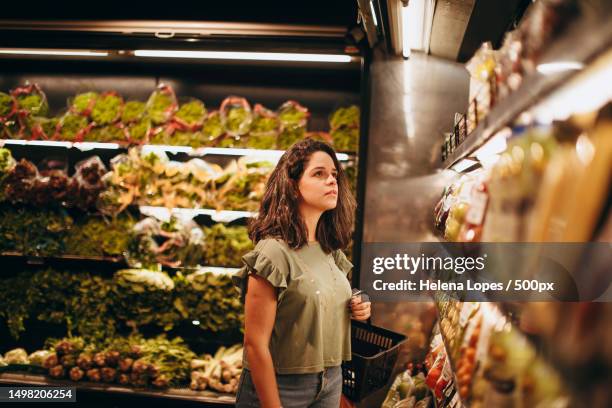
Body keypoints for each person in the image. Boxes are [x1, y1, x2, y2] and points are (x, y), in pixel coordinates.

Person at [232, 138, 371, 407]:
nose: (332, 181)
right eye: (319, 174)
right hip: (281, 387)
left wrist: (357, 302)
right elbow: (255, 345)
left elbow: (321, 292)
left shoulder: (330, 250)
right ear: (293, 186)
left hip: (331, 380)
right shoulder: (273, 253)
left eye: (334, 175)